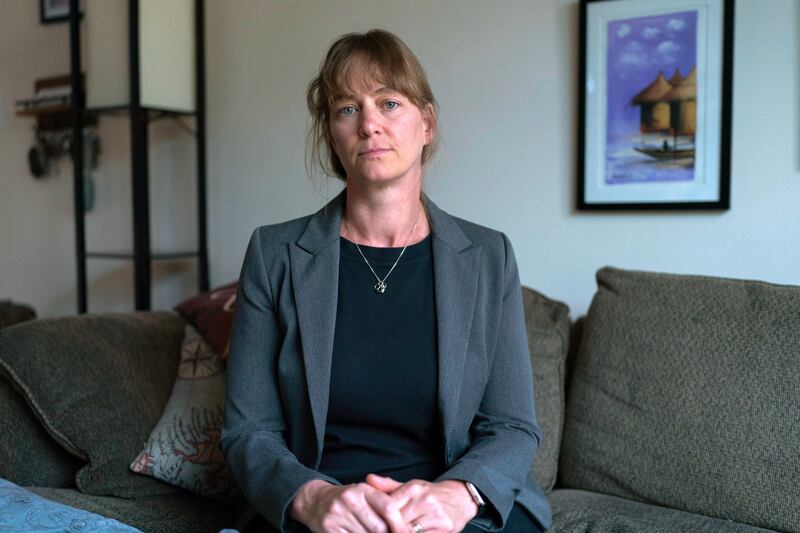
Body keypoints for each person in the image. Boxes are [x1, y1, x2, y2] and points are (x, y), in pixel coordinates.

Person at [220, 29, 551, 533]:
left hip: (453, 508)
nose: (369, 124)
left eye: (389, 103)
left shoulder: (488, 257)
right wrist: (313, 499)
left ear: (427, 123)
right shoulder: (274, 255)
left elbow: (512, 426)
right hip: (325, 509)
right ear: (333, 134)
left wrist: (458, 496)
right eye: (347, 109)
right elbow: (249, 430)